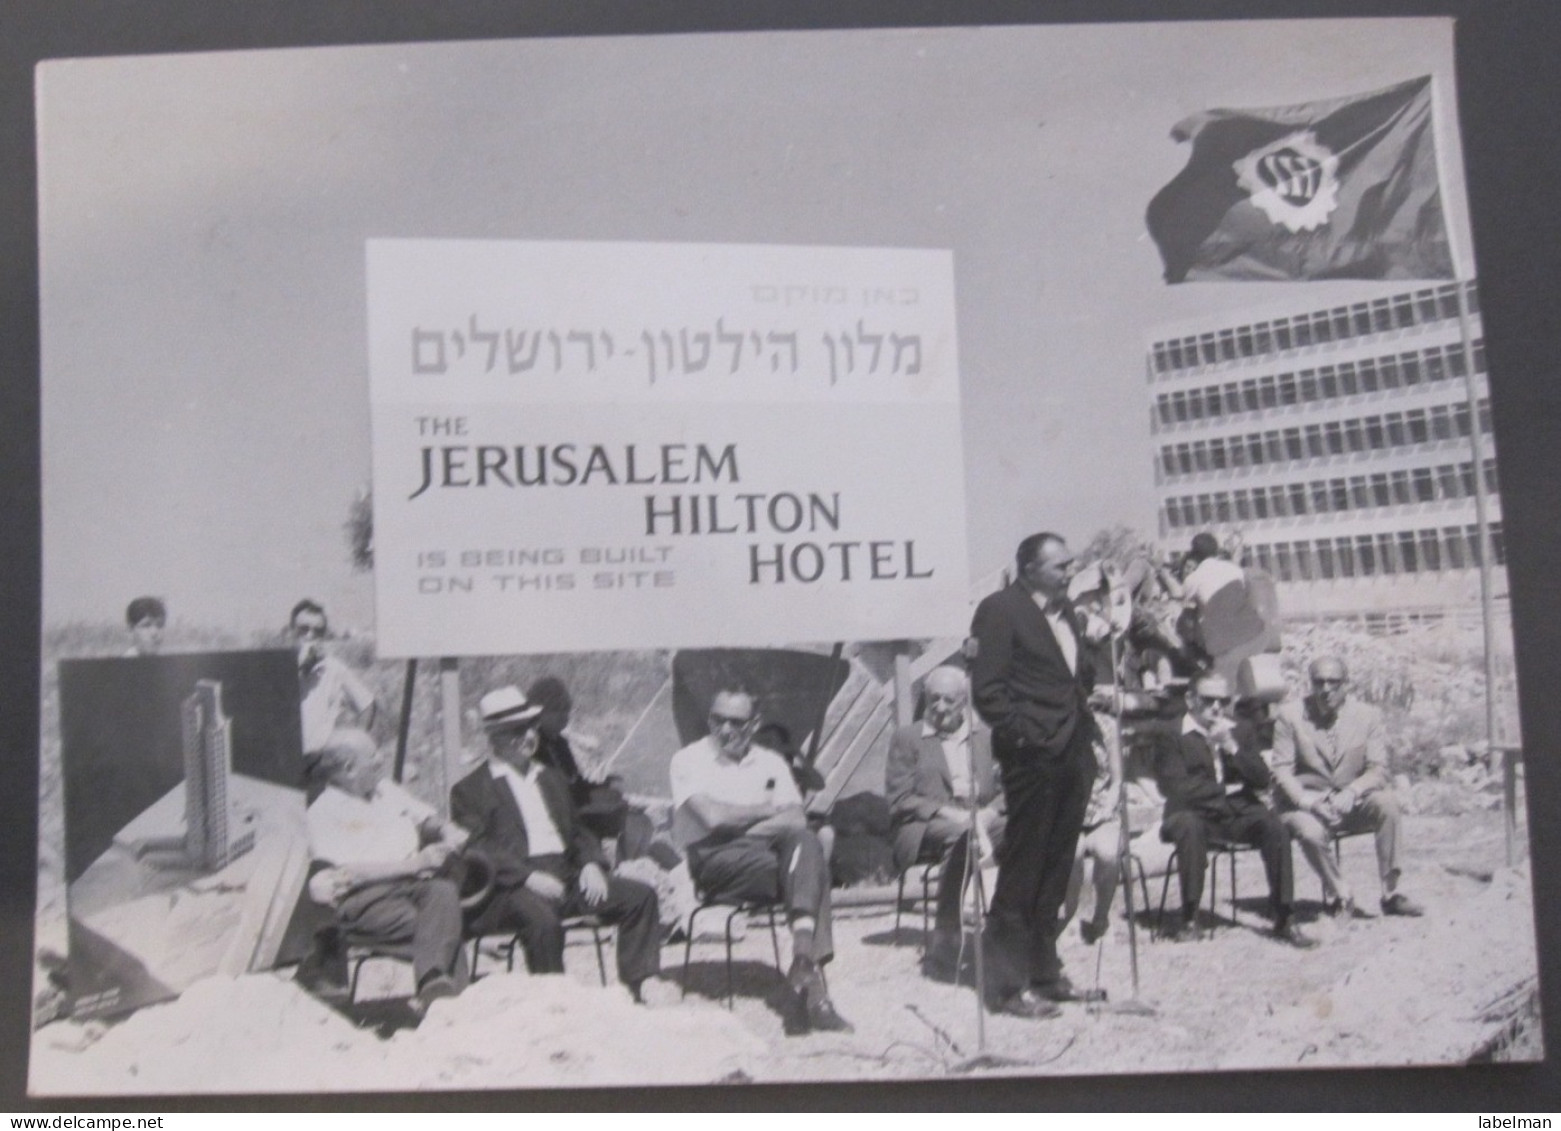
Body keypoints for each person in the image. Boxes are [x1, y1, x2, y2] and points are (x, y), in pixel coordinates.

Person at [450, 686, 663, 1000]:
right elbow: (479, 848)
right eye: (516, 731)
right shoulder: (470, 790)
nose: (528, 737)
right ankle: (555, 1003)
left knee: (640, 896)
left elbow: (577, 830)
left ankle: (639, 984)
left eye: (530, 728)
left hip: (565, 875)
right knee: (542, 921)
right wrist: (528, 877)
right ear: (494, 738)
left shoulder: (551, 778)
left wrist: (591, 863)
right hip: (510, 888)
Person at [969, 532, 1101, 1019]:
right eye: (1060, 566)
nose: (1069, 572)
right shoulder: (1000, 609)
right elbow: (988, 690)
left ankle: (1044, 973)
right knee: (1024, 867)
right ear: (1029, 568)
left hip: (1073, 752)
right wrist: (1025, 735)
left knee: (1057, 864)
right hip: (1032, 756)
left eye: (1070, 565)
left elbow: (1075, 677)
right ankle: (1004, 987)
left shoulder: (1066, 611)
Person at [669, 685, 852, 1034]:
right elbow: (712, 819)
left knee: (805, 841)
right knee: (810, 872)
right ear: (709, 720)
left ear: (753, 724)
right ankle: (816, 997)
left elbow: (796, 819)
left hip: (764, 855)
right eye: (717, 720)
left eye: (736, 723)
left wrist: (738, 824)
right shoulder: (688, 760)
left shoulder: (771, 762)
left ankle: (802, 962)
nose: (725, 730)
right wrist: (767, 811)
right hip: (715, 862)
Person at [298, 741, 468, 1013]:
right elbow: (347, 874)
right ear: (348, 769)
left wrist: (445, 830)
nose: (381, 761)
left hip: (415, 889)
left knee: (444, 894)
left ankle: (433, 988)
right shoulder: (323, 812)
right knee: (443, 925)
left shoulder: (384, 790)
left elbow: (426, 818)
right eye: (373, 758)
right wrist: (415, 864)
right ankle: (447, 1003)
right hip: (367, 900)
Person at [1153, 673, 1315, 947]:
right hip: (1189, 813)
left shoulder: (1239, 729)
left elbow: (1262, 779)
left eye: (1223, 700)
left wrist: (1231, 747)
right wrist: (1223, 792)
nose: (1216, 707)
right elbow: (1175, 789)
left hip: (1235, 813)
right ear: (1190, 700)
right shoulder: (1170, 733)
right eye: (1208, 700)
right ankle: (1190, 917)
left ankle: (1284, 916)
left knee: (1273, 826)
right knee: (1189, 827)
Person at [1271, 656, 1424, 919]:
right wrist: (1309, 802)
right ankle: (1341, 894)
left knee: (1387, 804)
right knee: (1309, 831)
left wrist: (1352, 792)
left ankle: (1391, 894)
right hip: (1306, 803)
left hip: (1349, 800)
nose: (1326, 689)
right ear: (1311, 684)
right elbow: (1281, 770)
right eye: (1319, 682)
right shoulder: (1290, 716)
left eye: (1333, 682)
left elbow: (1378, 768)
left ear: (1346, 685)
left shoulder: (1367, 716)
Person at [885, 665, 1002, 979]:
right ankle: (946, 934)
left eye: (949, 700)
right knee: (963, 836)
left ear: (964, 701)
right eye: (934, 699)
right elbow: (900, 799)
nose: (940, 707)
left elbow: (1010, 790)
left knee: (1025, 830)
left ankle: (1014, 925)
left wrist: (989, 813)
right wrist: (949, 813)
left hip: (983, 820)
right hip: (925, 826)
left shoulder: (985, 738)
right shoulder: (908, 738)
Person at [526, 675, 653, 858]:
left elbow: (577, 782)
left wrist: (605, 786)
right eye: (556, 710)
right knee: (631, 821)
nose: (564, 715)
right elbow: (550, 794)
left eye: (566, 709)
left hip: (577, 807)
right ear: (538, 712)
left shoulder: (559, 743)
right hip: (558, 818)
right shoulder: (533, 747)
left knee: (637, 817)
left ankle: (625, 863)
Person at [291, 599, 377, 764]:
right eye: (303, 629)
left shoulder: (333, 668)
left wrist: (352, 750)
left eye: (318, 631)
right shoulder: (277, 665)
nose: (310, 636)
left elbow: (367, 705)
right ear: (291, 631)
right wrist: (301, 668)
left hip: (318, 762)